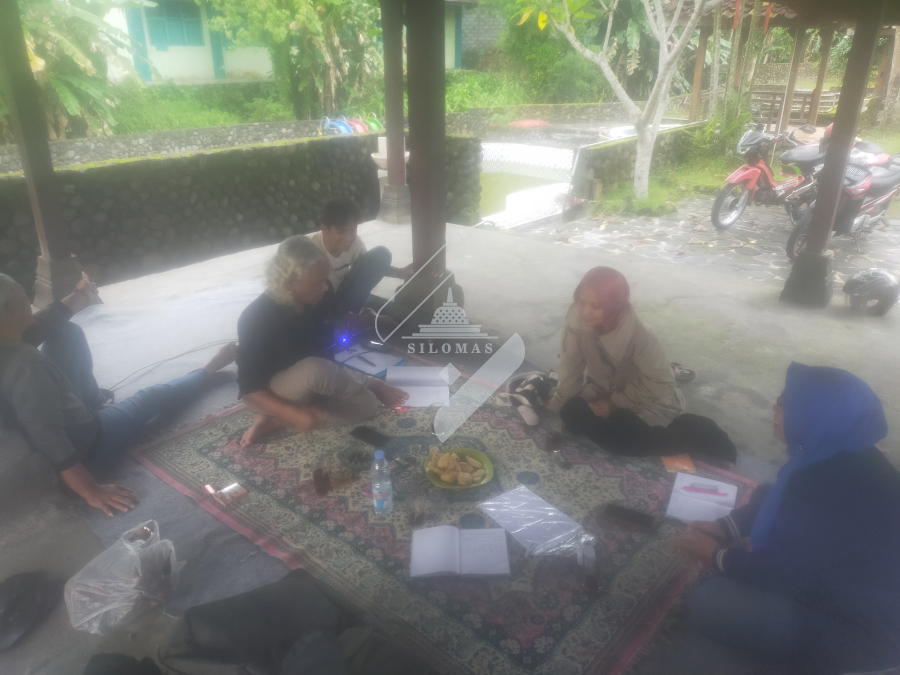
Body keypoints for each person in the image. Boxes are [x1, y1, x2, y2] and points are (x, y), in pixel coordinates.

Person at [671, 363, 900, 675]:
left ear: (816, 414)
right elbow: (776, 494)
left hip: (858, 630)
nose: (773, 409)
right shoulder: (841, 453)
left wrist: (717, 557)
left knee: (709, 601)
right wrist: (725, 527)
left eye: (784, 403)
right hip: (856, 591)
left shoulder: (825, 486)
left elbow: (784, 574)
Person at [0, 273, 237, 516]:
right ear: (13, 307)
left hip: (58, 414)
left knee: (64, 331)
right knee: (150, 398)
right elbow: (49, 438)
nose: (29, 301)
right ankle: (207, 370)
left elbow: (48, 319)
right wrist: (90, 491)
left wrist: (83, 293)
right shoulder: (27, 366)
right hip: (83, 441)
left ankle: (95, 402)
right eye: (24, 296)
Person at [237, 235, 408, 448]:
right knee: (314, 369)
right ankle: (284, 415)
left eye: (325, 279)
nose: (325, 287)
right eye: (317, 282)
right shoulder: (256, 318)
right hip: (273, 392)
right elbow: (249, 390)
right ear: (290, 283)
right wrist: (295, 413)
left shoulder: (321, 297)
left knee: (367, 405)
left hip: (314, 379)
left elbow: (328, 354)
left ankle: (280, 421)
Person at [546, 266, 686, 456]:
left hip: (647, 397)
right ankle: (610, 431)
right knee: (570, 412)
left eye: (596, 306)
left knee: (627, 440)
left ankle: (691, 434)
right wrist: (560, 402)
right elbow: (570, 365)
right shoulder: (577, 318)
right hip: (602, 389)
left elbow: (660, 382)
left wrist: (616, 403)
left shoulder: (641, 336)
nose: (585, 311)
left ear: (615, 305)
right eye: (581, 302)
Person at [308, 199, 413, 314]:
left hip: (343, 296)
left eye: (353, 229)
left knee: (382, 254)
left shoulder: (355, 243)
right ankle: (338, 317)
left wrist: (400, 272)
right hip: (321, 301)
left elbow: (370, 267)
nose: (349, 237)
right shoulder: (311, 251)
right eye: (342, 231)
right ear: (324, 229)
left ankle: (348, 312)